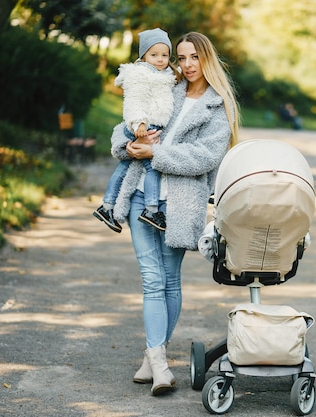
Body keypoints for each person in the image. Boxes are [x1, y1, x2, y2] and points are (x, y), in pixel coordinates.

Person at [108, 31, 239, 396]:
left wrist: (157, 155)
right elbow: (130, 121)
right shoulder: (168, 88)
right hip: (139, 197)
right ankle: (160, 363)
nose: (186, 65)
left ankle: (154, 357)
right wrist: (130, 145)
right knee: (151, 279)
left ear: (206, 58)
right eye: (181, 58)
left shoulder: (218, 105)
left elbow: (206, 158)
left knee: (169, 280)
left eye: (193, 57)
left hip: (179, 203)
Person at [93, 28, 179, 233]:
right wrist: (139, 123)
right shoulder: (141, 75)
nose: (160, 59)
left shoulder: (162, 74)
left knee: (123, 168)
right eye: (154, 55)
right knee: (153, 167)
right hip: (142, 127)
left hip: (149, 126)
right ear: (143, 56)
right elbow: (134, 101)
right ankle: (151, 209)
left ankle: (107, 207)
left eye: (165, 55)